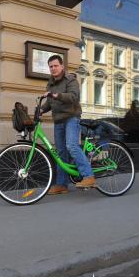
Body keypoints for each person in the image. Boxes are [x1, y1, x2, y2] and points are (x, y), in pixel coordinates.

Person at [41, 55, 96, 195]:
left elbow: (73, 97)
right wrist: (41, 110)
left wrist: (56, 95)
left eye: (55, 65)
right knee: (61, 154)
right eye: (51, 66)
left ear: (62, 66)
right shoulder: (51, 83)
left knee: (71, 146)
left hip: (71, 118)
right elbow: (50, 102)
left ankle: (88, 176)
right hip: (58, 120)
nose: (53, 68)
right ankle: (62, 184)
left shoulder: (70, 80)